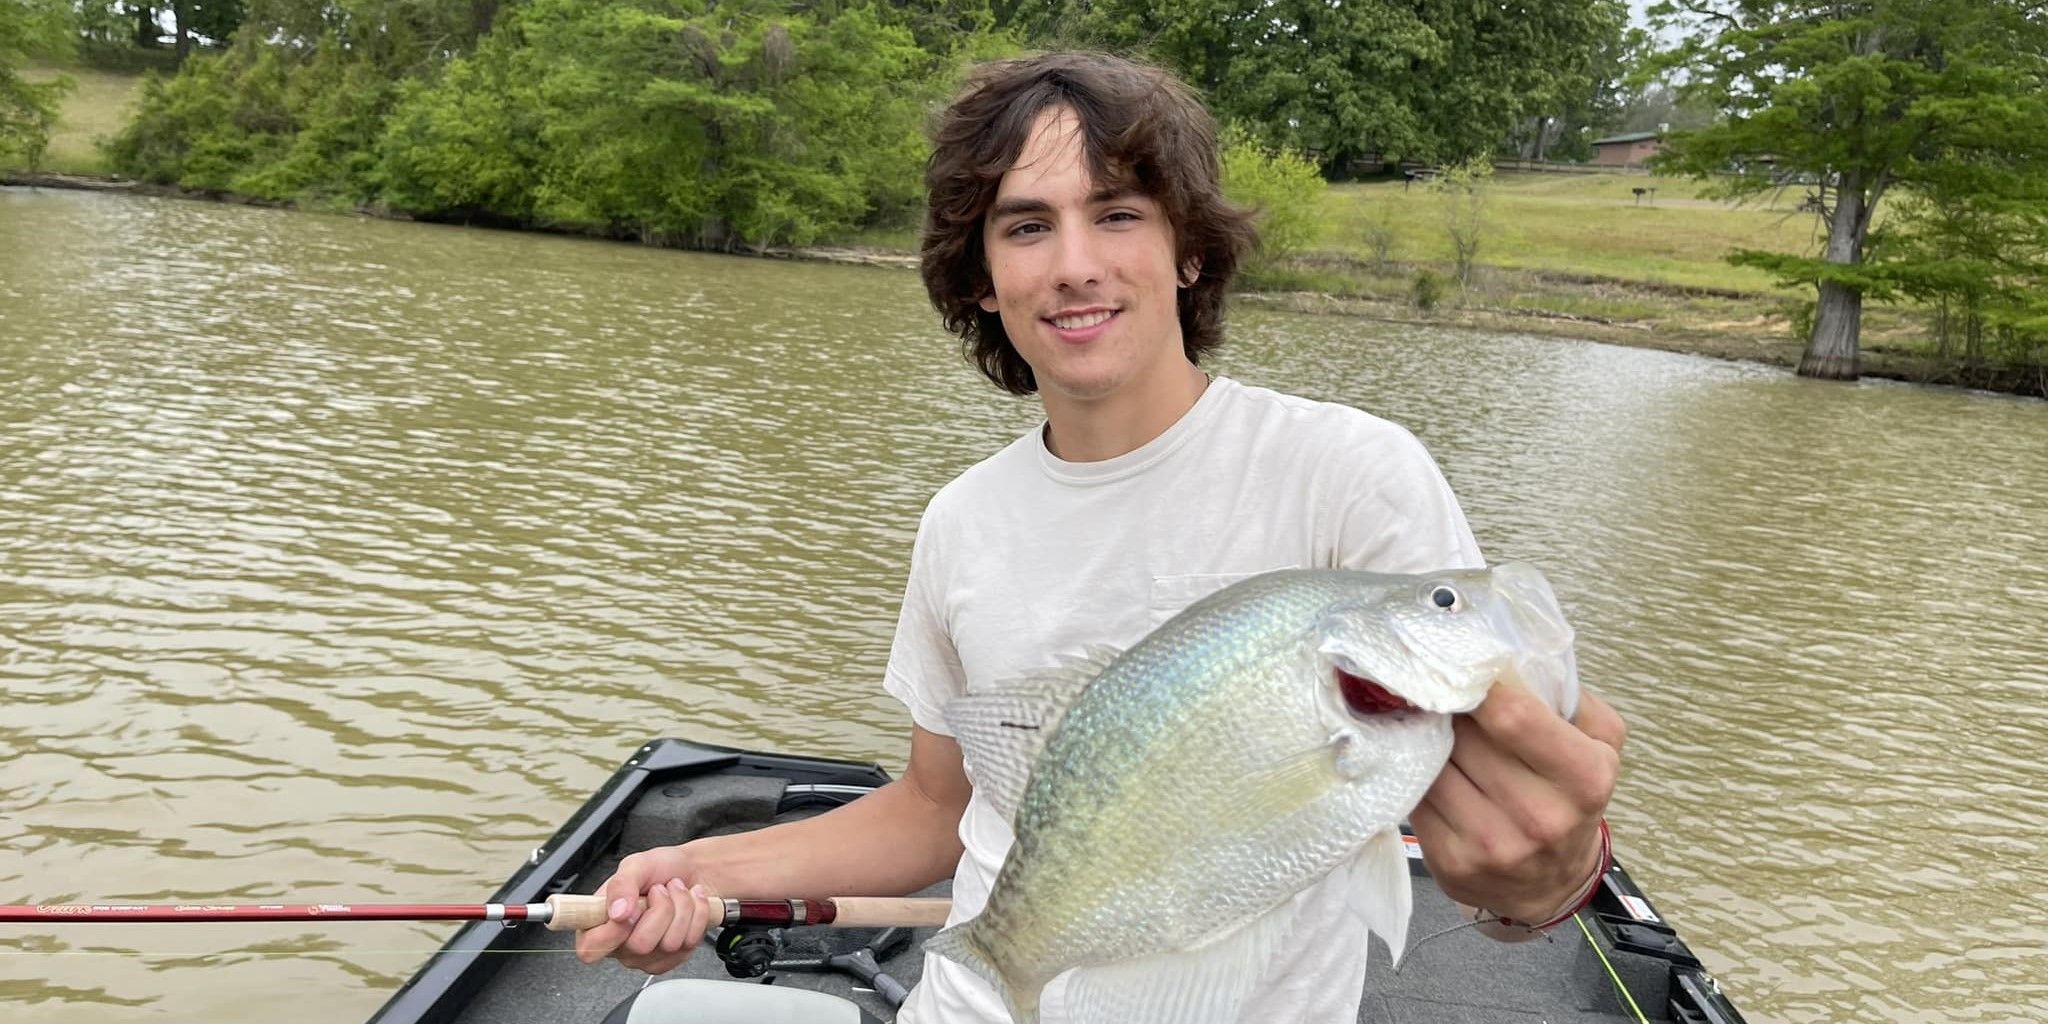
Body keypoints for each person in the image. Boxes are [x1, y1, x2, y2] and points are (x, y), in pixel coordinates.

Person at [576, 51, 1626, 1023]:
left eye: (1117, 214)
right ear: (982, 277)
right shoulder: (962, 520)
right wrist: (706, 872)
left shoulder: (1352, 473)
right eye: (1026, 226)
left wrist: (1544, 882)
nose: (1075, 265)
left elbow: (1496, 832)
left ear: (1185, 252)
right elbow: (936, 811)